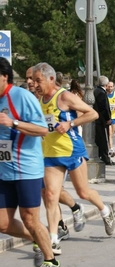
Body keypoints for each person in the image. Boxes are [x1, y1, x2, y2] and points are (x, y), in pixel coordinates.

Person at [33, 62, 115, 255]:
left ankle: (105, 211)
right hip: (50, 154)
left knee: (83, 192)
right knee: (50, 196)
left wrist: (70, 123)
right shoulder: (39, 100)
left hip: (72, 151)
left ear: (51, 79)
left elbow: (93, 114)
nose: (35, 84)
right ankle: (53, 240)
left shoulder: (64, 96)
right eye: (33, 80)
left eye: (38, 80)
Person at [0, 57, 59, 267]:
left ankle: (50, 260)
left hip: (26, 169)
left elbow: (42, 129)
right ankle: (37, 237)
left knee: (30, 219)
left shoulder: (21, 96)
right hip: (4, 170)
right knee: (3, 224)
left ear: (4, 77)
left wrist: (13, 123)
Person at [94, 76, 115, 166]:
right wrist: (107, 118)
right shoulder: (101, 93)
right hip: (101, 120)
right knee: (104, 139)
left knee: (100, 138)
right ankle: (105, 157)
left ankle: (102, 156)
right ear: (106, 85)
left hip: (98, 119)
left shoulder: (96, 91)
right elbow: (104, 108)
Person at [106, 81, 115, 157]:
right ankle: (111, 149)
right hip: (108, 117)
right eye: (108, 86)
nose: (110, 88)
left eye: (111, 86)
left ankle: (109, 147)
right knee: (110, 134)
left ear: (113, 87)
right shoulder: (105, 95)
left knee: (112, 134)